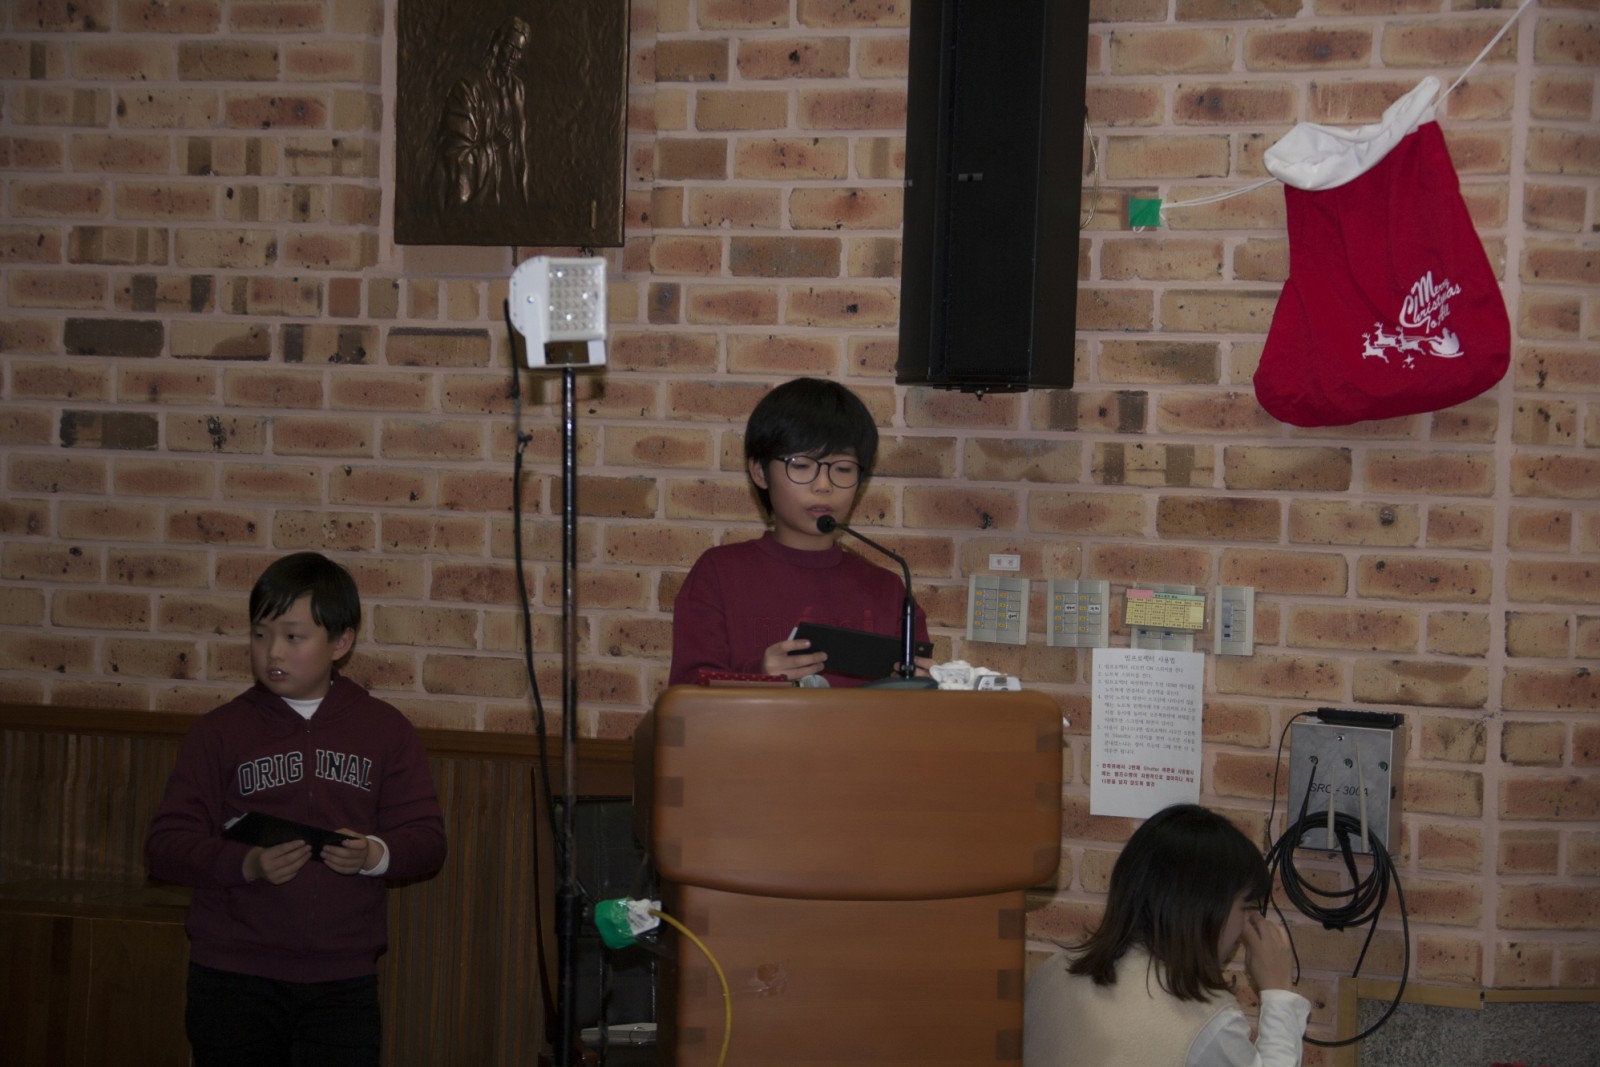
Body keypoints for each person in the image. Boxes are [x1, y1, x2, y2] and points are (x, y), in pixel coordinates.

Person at [146, 552, 446, 1066]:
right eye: (260, 635)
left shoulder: (386, 731)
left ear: (341, 643)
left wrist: (373, 854)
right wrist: (246, 863)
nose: (272, 652)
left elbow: (427, 840)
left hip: (341, 983)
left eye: (293, 636)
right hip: (232, 977)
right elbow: (164, 847)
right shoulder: (219, 732)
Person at [668, 376, 932, 687]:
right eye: (802, 465)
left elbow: (920, 706)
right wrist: (758, 677)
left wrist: (916, 688)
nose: (824, 485)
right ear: (760, 471)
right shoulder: (719, 573)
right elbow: (686, 696)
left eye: (843, 469)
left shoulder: (888, 591)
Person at [1024, 804, 1310, 1067]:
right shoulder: (1206, 1023)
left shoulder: (1051, 973)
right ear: (1207, 908)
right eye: (1245, 907)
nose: (1247, 924)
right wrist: (1279, 992)